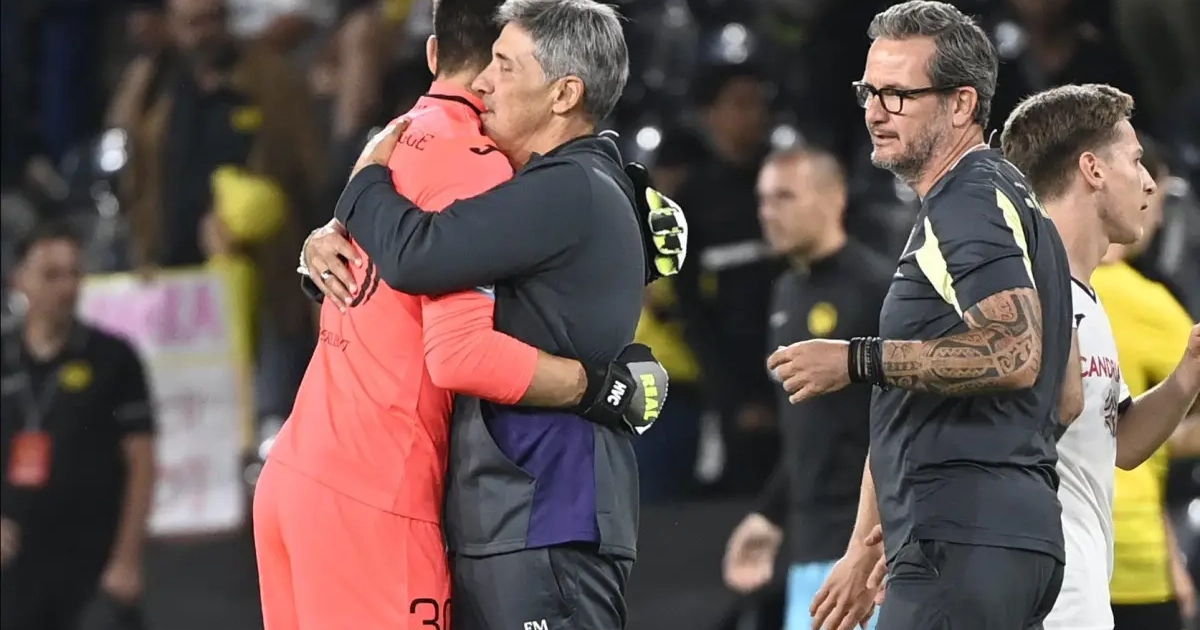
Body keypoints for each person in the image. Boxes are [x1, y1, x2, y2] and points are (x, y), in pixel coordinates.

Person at [262, 2, 684, 630]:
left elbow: (426, 268)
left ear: (564, 93)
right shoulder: (518, 178)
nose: (486, 83)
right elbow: (421, 256)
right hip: (476, 510)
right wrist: (600, 387)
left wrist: (361, 182)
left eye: (506, 67)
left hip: (540, 508)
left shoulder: (549, 182)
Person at [770, 3, 1074, 629]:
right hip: (996, 539)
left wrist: (856, 359)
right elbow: (1065, 392)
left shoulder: (968, 201)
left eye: (899, 95)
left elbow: (1014, 352)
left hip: (961, 542)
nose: (874, 112)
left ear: (962, 104)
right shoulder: (1005, 197)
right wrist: (871, 540)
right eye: (869, 91)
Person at [1001, 83, 1200, 630]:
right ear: (1092, 169)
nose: (1149, 182)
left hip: (1086, 598)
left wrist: (1188, 374)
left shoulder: (1086, 299)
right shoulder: (1019, 295)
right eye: (1135, 161)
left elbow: (1122, 444)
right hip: (1036, 606)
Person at [722, 148, 892, 630]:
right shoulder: (786, 293)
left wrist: (877, 539)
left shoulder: (879, 289)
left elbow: (902, 421)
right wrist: (770, 514)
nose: (767, 212)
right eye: (763, 199)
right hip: (808, 546)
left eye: (784, 197)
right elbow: (808, 428)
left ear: (834, 198)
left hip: (868, 549)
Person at [0, 221, 157, 630]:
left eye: (74, 273)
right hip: (13, 565)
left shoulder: (113, 357)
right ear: (19, 280)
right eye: (51, 275)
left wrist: (128, 559)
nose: (66, 287)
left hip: (92, 564)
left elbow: (142, 460)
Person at [1087, 137, 1200, 630]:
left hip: (1050, 558)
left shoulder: (1027, 290)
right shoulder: (1152, 304)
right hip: (1133, 555)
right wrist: (1163, 437)